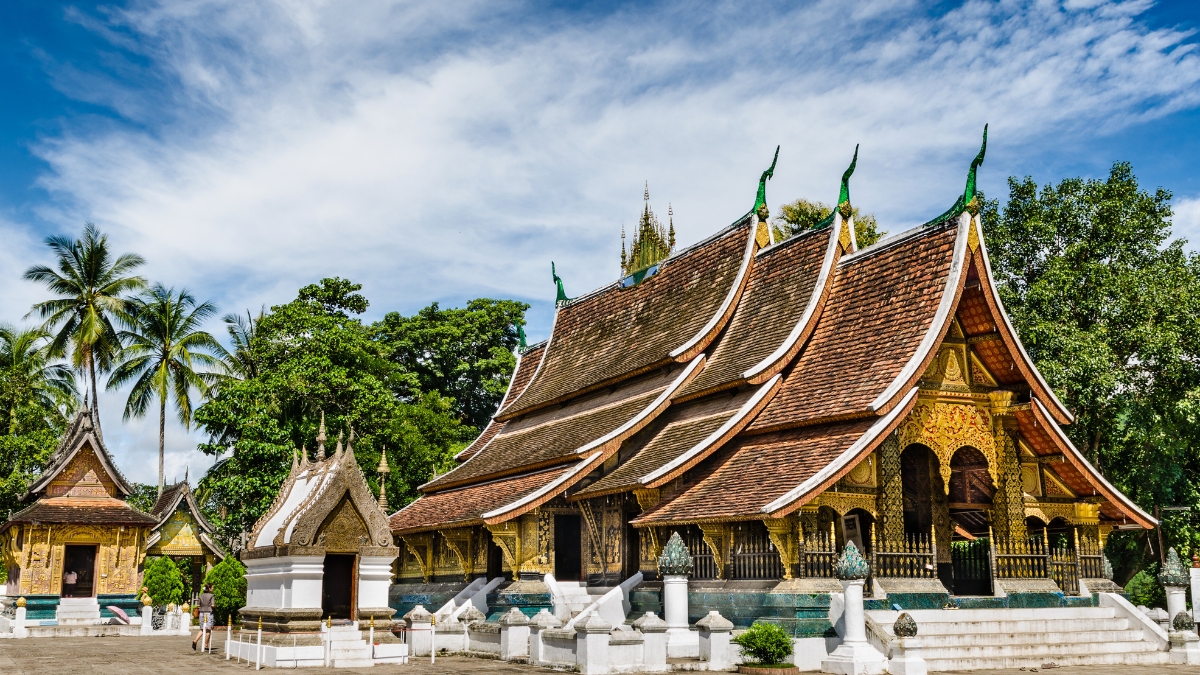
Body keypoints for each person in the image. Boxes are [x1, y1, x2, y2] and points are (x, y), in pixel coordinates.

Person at [192, 583, 215, 651]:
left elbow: (198, 605)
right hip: (208, 613)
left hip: (201, 613)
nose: (213, 588)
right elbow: (213, 605)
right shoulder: (211, 596)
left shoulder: (201, 595)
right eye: (212, 587)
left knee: (202, 629)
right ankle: (206, 645)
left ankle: (195, 640)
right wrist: (213, 606)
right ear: (209, 589)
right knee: (208, 629)